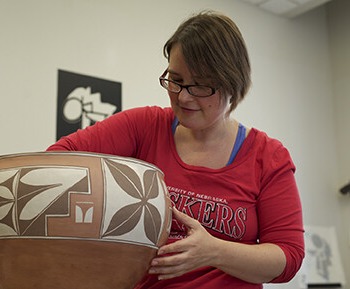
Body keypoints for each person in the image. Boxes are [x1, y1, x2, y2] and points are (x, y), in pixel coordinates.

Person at [47, 9, 304, 289]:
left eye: (201, 86)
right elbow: (58, 159)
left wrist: (214, 251)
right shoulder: (144, 126)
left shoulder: (268, 157)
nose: (183, 96)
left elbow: (288, 258)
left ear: (232, 83)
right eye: (176, 80)